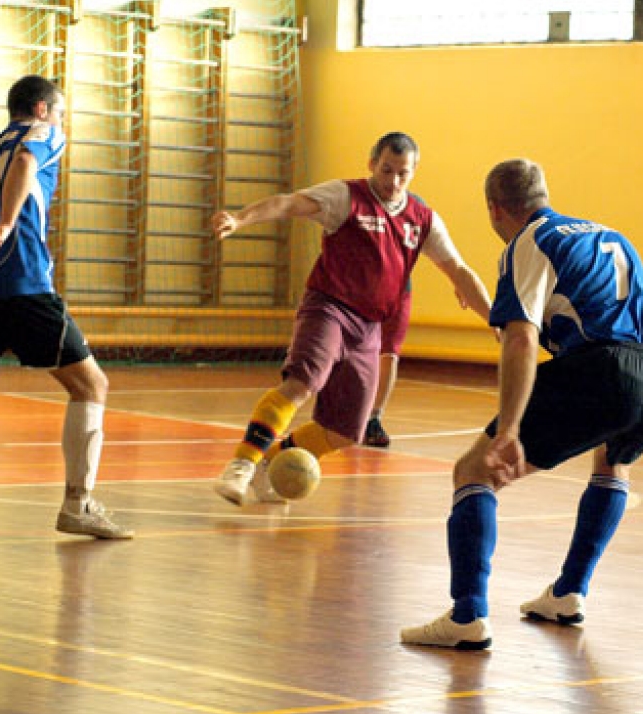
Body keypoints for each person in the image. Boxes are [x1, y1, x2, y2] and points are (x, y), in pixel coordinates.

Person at [400, 158, 643, 650]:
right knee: (613, 461)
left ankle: (467, 614)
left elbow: (520, 340)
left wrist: (509, 429)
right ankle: (569, 592)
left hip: (609, 372)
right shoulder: (609, 235)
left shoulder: (529, 242)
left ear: (494, 208)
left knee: (475, 470)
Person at [211, 132, 492, 504]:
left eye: (402, 174)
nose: (393, 181)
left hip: (369, 327)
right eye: (387, 170)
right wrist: (240, 219)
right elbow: (287, 204)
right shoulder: (345, 197)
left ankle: (270, 463)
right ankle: (241, 465)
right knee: (301, 384)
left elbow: (458, 269)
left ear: (413, 172)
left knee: (346, 431)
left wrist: (495, 318)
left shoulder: (422, 219)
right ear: (372, 163)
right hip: (329, 307)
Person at [0, 75, 132, 540]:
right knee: (91, 385)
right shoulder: (42, 134)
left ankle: (80, 503)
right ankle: (79, 503)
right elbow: (28, 161)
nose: (62, 120)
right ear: (40, 109)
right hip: (23, 282)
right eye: (60, 111)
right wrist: (9, 224)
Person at [362, 280, 411, 448]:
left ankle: (373, 419)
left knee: (390, 352)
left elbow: (451, 263)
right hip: (359, 288)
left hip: (398, 289)